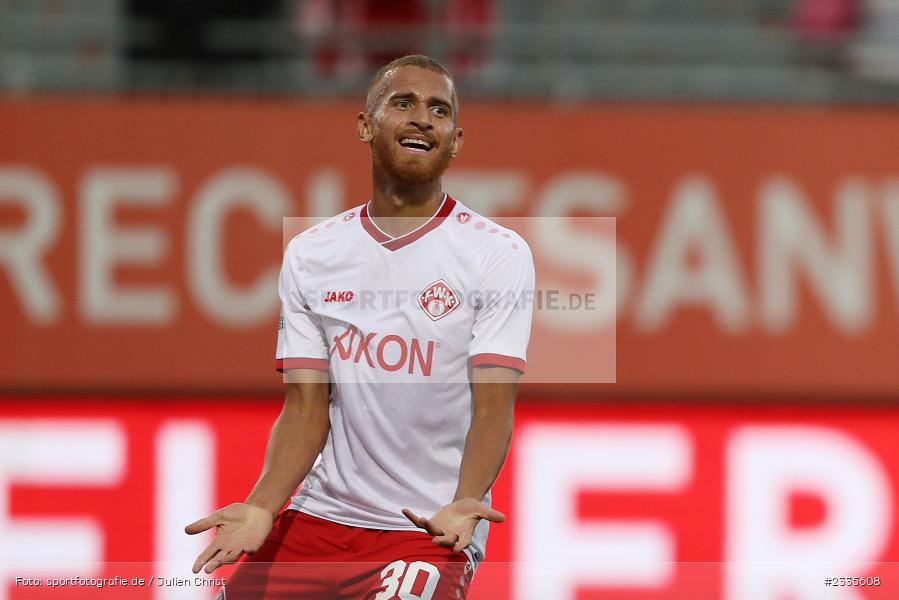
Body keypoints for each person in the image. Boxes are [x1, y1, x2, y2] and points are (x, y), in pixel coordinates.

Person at [184, 54, 534, 599]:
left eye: (439, 110)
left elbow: (493, 408)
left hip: (427, 528)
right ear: (365, 125)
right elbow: (305, 408)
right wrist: (260, 508)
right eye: (404, 103)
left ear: (456, 139)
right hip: (320, 516)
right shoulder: (312, 253)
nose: (423, 118)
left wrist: (467, 500)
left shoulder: (496, 253)